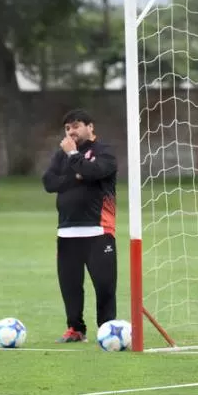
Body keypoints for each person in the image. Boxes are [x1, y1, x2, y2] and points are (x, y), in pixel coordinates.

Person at [42, 109, 118, 343]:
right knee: (70, 285)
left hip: (99, 230)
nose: (71, 131)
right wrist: (76, 176)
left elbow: (93, 172)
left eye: (76, 126)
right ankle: (75, 329)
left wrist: (74, 157)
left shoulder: (104, 152)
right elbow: (49, 182)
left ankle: (107, 330)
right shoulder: (61, 154)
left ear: (90, 127)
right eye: (67, 128)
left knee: (104, 285)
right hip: (66, 230)